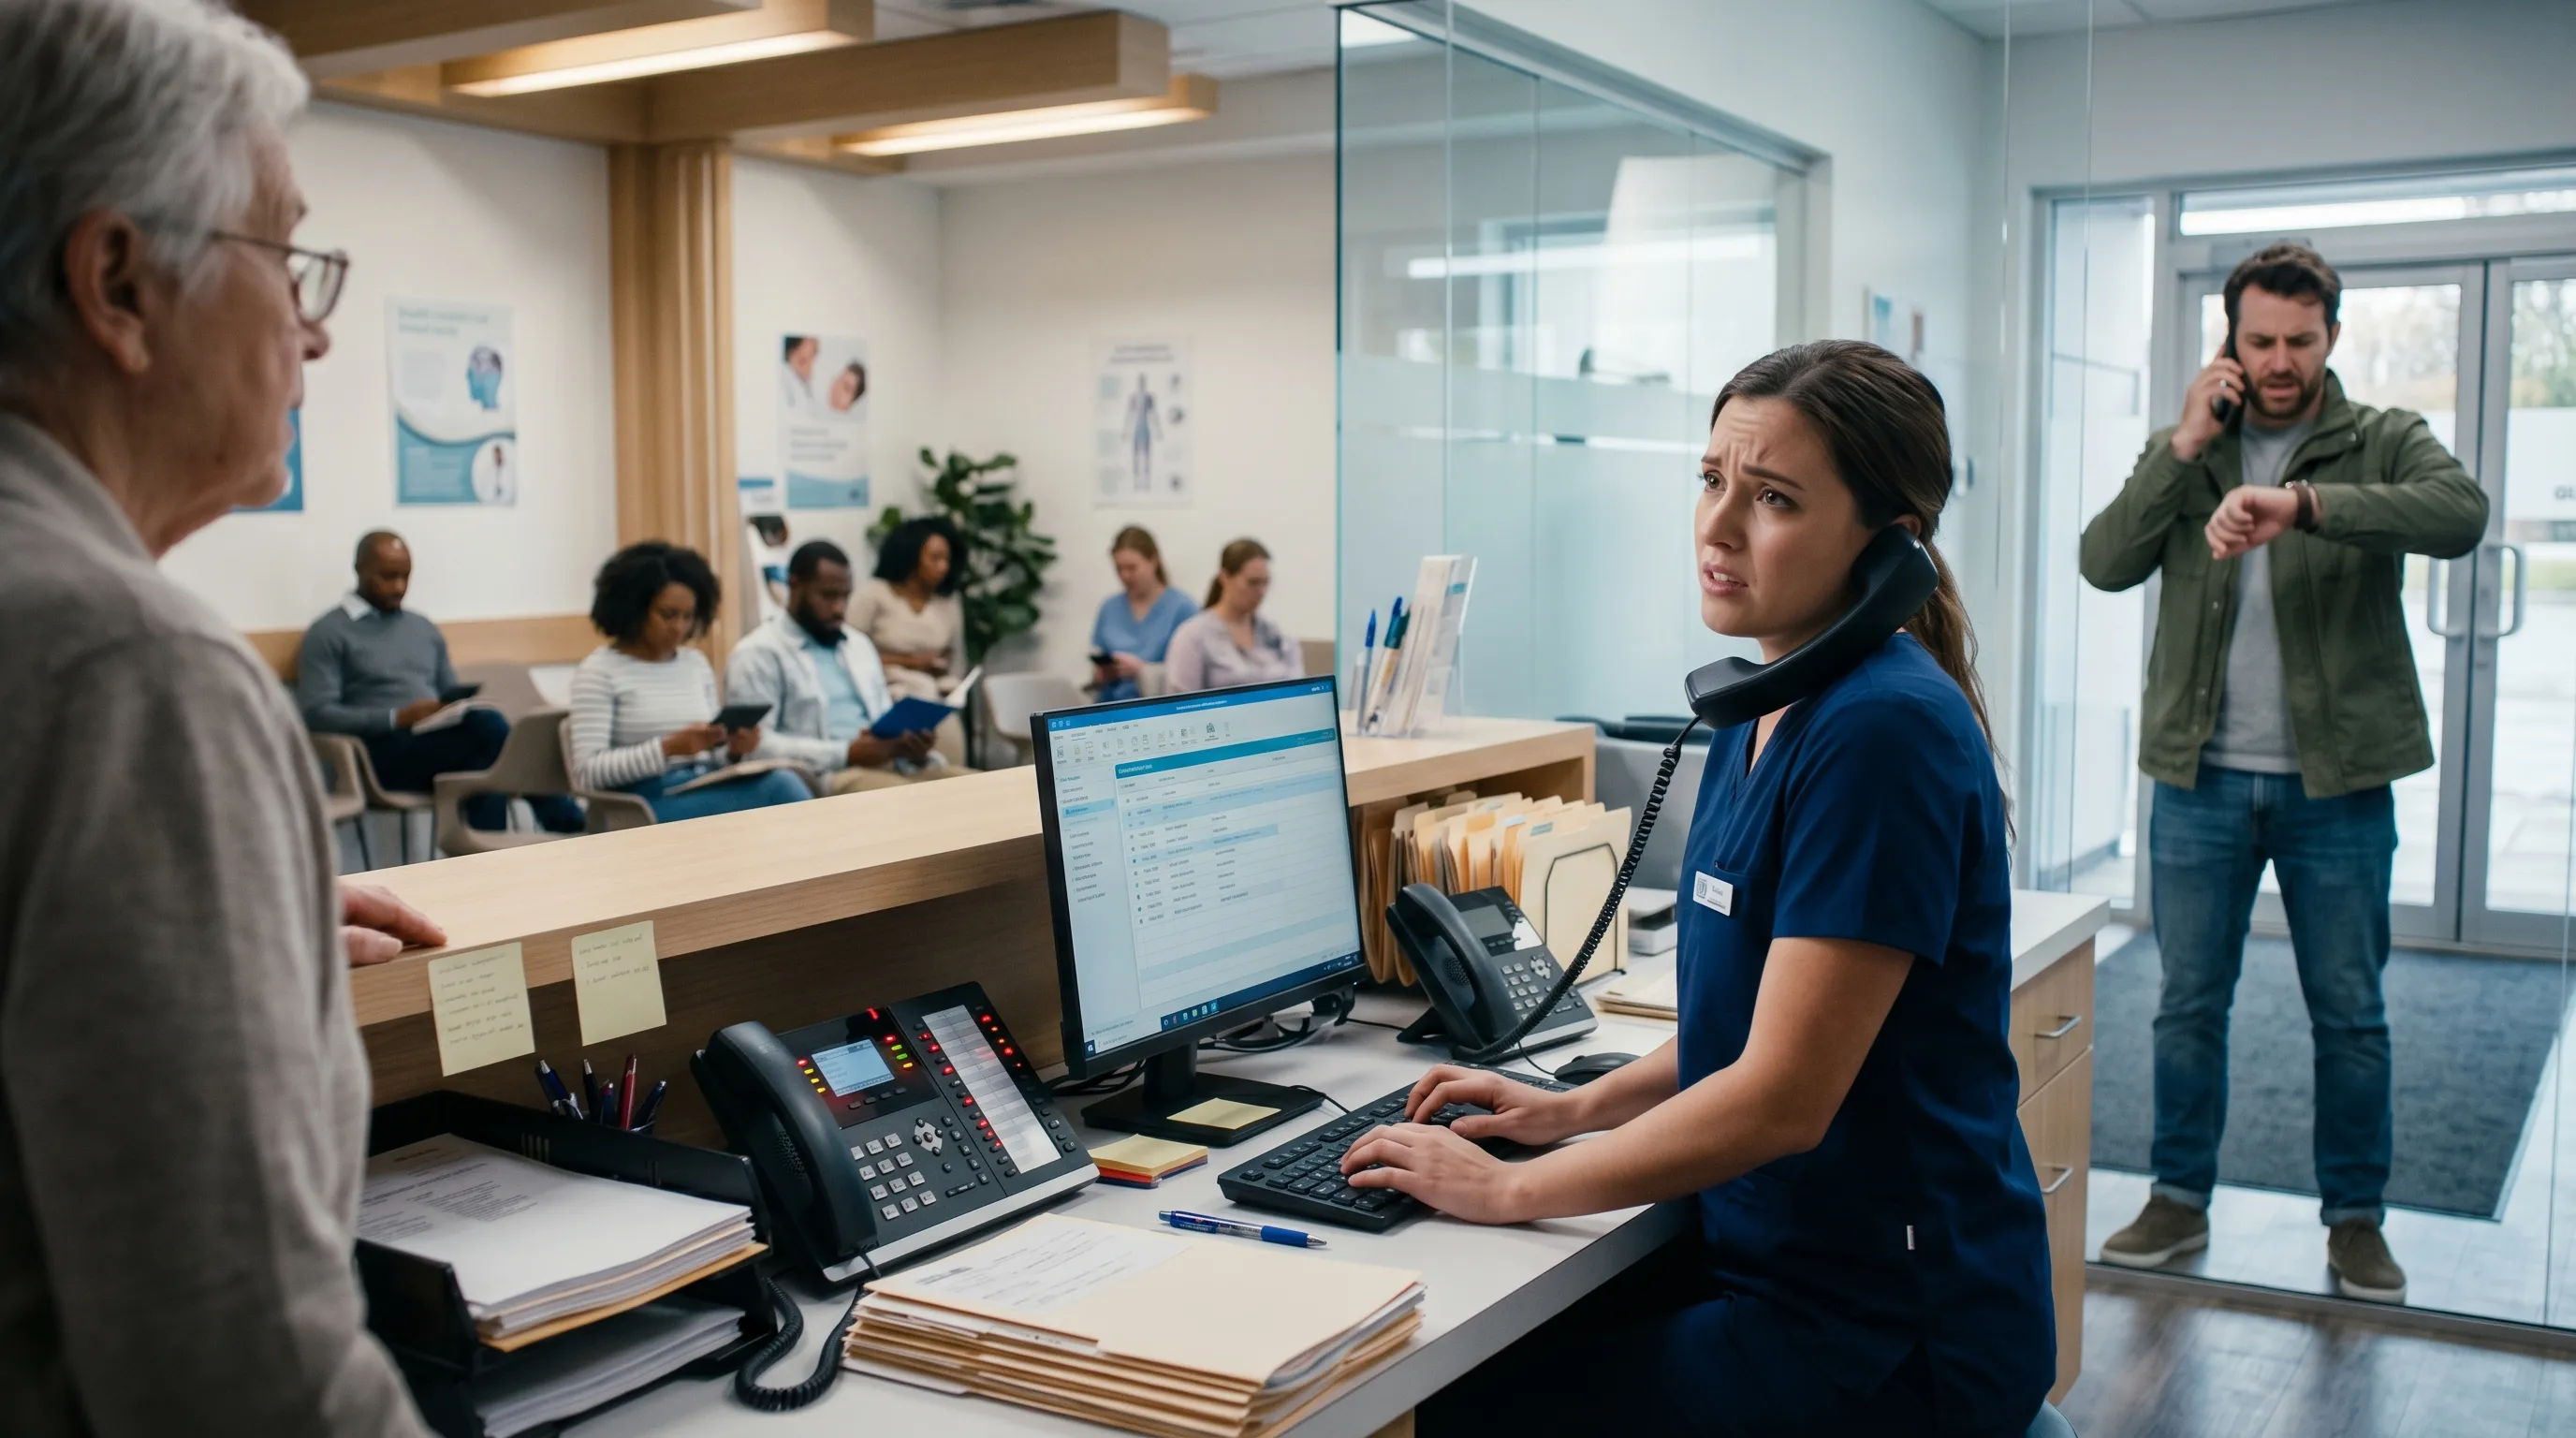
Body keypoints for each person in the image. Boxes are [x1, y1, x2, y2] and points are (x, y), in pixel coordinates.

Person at [1350, 343, 2051, 1436]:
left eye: (1772, 498)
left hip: (1887, 1336)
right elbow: (1743, 1025)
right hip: (1788, 1271)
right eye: (1711, 479)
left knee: (1447, 1408)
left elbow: (1781, 1093)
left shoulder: (1880, 733)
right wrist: (1568, 1112)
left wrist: (1508, 1189)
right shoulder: (1765, 704)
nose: (1717, 527)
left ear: (1889, 546)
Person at [0, 2, 445, 1431]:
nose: (315, 334)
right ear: (119, 283)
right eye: (285, 258)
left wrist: (211, 928)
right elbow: (245, 1369)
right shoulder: (128, 665)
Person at [2080, 243, 2487, 1303]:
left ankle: (2355, 1221)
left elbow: (2460, 514)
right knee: (2186, 1005)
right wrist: (2181, 446)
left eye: (2299, 341)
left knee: (2349, 1014)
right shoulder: (2191, 450)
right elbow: (2103, 561)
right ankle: (2178, 1200)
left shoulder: (2380, 437)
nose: (2277, 360)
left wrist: (2307, 505)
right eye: (2258, 339)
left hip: (2335, 786)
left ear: (2331, 338)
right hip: (2198, 782)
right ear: (2230, 339)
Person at [296, 530, 582, 834]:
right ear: (360, 569)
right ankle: (569, 823)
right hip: (379, 754)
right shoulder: (329, 632)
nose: (399, 587)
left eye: (405, 576)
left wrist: (448, 708)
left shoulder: (422, 628)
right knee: (489, 733)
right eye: (388, 576)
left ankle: (483, 854)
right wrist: (395, 718)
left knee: (483, 756)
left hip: (436, 744)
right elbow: (317, 713)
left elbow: (448, 691)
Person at [566, 542, 812, 824]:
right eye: (668, 615)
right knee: (780, 790)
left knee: (784, 781)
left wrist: (733, 750)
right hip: (642, 803)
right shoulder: (599, 671)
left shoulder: (694, 664)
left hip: (703, 783)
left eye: (688, 616)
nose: (679, 627)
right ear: (634, 608)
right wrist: (667, 749)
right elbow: (587, 772)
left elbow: (710, 754)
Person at [727, 540, 971, 794]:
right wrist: (846, 752)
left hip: (891, 765)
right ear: (794, 584)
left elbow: (882, 718)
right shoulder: (758, 653)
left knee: (979, 788)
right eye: (828, 596)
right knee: (911, 798)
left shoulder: (858, 645)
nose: (839, 609)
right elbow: (754, 745)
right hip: (826, 775)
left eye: (845, 596)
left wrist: (910, 746)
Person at [850, 516, 970, 763]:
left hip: (936, 691)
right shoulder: (874, 594)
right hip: (886, 691)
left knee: (946, 721)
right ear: (911, 556)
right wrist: (913, 663)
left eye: (947, 559)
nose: (943, 567)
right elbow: (847, 654)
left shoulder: (948, 602)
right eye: (935, 558)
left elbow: (957, 656)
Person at [1164, 538, 1301, 692]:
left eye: (1266, 583)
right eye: (1253, 582)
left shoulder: (1277, 634)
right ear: (1224, 578)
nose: (1261, 592)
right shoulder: (1193, 636)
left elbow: (1299, 687)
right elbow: (1183, 700)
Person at [1088, 524, 1196, 701]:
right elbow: (1097, 661)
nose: (1125, 576)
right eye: (1119, 569)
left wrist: (1143, 671)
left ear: (1153, 561)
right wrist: (1101, 673)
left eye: (1132, 568)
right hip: (1111, 706)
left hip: (1159, 706)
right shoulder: (1109, 608)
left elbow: (1193, 673)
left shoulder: (1183, 608)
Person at [780, 333, 819, 414]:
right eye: (802, 361)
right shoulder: (785, 379)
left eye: (812, 358)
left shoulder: (811, 385)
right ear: (789, 354)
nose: (808, 369)